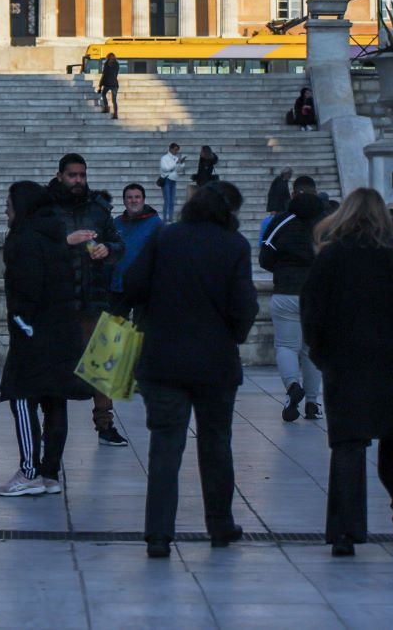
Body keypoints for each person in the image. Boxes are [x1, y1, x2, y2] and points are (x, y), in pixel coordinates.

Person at [123, 182, 258, 558]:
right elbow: (244, 305)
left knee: (165, 447)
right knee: (217, 445)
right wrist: (233, 335)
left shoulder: (165, 238)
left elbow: (133, 284)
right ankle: (219, 525)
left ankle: (159, 534)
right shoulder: (235, 246)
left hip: (163, 360)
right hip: (215, 363)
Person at [303, 187, 393, 556]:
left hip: (345, 367)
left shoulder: (331, 256)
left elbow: (311, 312)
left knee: (347, 448)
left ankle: (345, 533)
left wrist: (321, 355)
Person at [0, 180, 91, 497]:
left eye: (9, 201)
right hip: (63, 331)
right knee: (55, 400)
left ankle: (29, 472)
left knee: (21, 397)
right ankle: (50, 473)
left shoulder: (23, 239)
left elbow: (27, 290)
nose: (5, 208)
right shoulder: (54, 235)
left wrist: (23, 324)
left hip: (35, 335)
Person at [39, 153, 127, 445]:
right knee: (54, 364)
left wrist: (107, 249)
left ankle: (105, 424)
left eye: (83, 175)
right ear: (60, 175)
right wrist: (67, 242)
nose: (79, 181)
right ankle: (51, 425)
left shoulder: (98, 209)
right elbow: (33, 247)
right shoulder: (46, 208)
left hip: (94, 296)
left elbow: (118, 243)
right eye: (73, 175)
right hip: (58, 298)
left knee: (102, 362)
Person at [259, 170, 325, 422]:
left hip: (286, 290)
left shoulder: (281, 221)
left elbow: (265, 257)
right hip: (317, 294)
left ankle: (291, 387)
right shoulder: (327, 221)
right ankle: (313, 402)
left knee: (286, 345)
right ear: (315, 192)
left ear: (293, 192)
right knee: (311, 349)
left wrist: (283, 269)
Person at [109, 182, 161, 320]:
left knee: (142, 331)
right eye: (129, 197)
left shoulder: (156, 223)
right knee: (115, 330)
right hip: (118, 285)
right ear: (124, 201)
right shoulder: (116, 223)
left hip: (143, 287)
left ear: (143, 199)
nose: (133, 200)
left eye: (137, 197)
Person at [157, 142, 184, 224]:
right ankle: (165, 218)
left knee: (172, 201)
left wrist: (181, 163)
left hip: (174, 180)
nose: (176, 152)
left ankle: (171, 218)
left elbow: (179, 170)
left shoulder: (176, 158)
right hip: (167, 180)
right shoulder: (164, 158)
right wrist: (175, 164)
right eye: (175, 150)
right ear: (171, 149)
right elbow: (165, 168)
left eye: (177, 150)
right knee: (167, 200)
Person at [97, 51, 120, 118]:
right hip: (114, 84)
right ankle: (115, 113)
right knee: (114, 100)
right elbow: (115, 74)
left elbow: (104, 75)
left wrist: (100, 86)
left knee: (104, 94)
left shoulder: (107, 64)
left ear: (108, 58)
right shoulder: (116, 64)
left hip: (108, 83)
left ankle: (107, 108)